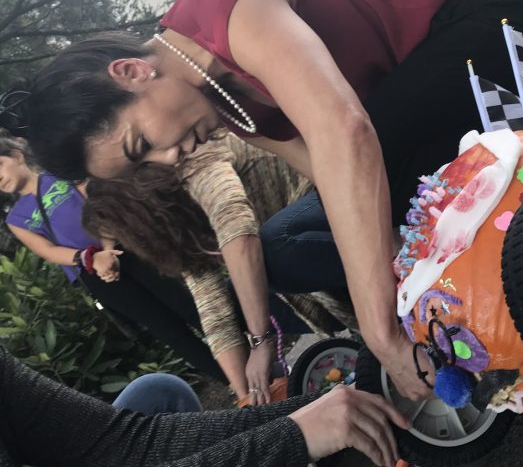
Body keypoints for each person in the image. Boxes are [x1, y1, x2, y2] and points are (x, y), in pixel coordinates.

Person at [5, 0, 523, 402]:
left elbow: (344, 133)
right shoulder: (227, 103)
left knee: (377, 168)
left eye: (140, 144)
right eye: (143, 165)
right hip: (423, 84)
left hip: (494, 7)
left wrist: (382, 331)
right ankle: (494, 287)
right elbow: (326, 175)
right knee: (292, 237)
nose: (167, 159)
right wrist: (406, 283)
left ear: (131, 73)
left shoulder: (228, 7)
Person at [0, 107, 408, 467]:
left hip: (301, 215)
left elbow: (126, 442)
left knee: (162, 394)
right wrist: (291, 434)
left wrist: (315, 405)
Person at [82, 132, 354, 406]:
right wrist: (248, 396)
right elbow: (213, 312)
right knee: (232, 298)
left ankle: (380, 285)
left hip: (330, 204)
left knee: (264, 257)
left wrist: (261, 342)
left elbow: (239, 233)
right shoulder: (182, 229)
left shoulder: (194, 162)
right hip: (304, 252)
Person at [0, 136, 230, 391]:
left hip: (124, 247)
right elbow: (48, 251)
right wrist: (92, 259)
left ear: (17, 156)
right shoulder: (16, 218)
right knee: (169, 331)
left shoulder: (61, 172)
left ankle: (255, 349)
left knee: (188, 304)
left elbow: (100, 202)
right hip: (95, 274)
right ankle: (234, 382)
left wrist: (107, 248)